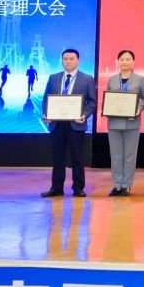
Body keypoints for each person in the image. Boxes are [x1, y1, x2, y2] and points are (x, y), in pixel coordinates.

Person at [40, 48, 97, 198]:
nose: (68, 61)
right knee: (57, 157)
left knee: (77, 157)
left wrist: (84, 115)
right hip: (57, 124)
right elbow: (46, 99)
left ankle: (78, 188)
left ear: (78, 60)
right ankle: (56, 187)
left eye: (71, 59)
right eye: (65, 59)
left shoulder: (87, 79)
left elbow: (92, 102)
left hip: (76, 124)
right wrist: (46, 113)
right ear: (62, 60)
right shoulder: (53, 78)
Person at [104, 49, 144, 197]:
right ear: (118, 62)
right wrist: (105, 108)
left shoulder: (140, 79)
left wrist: (138, 109)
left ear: (133, 62)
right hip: (114, 122)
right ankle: (117, 185)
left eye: (128, 59)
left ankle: (126, 185)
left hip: (132, 122)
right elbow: (107, 98)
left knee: (130, 156)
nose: (125, 62)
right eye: (122, 59)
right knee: (116, 155)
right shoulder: (112, 79)